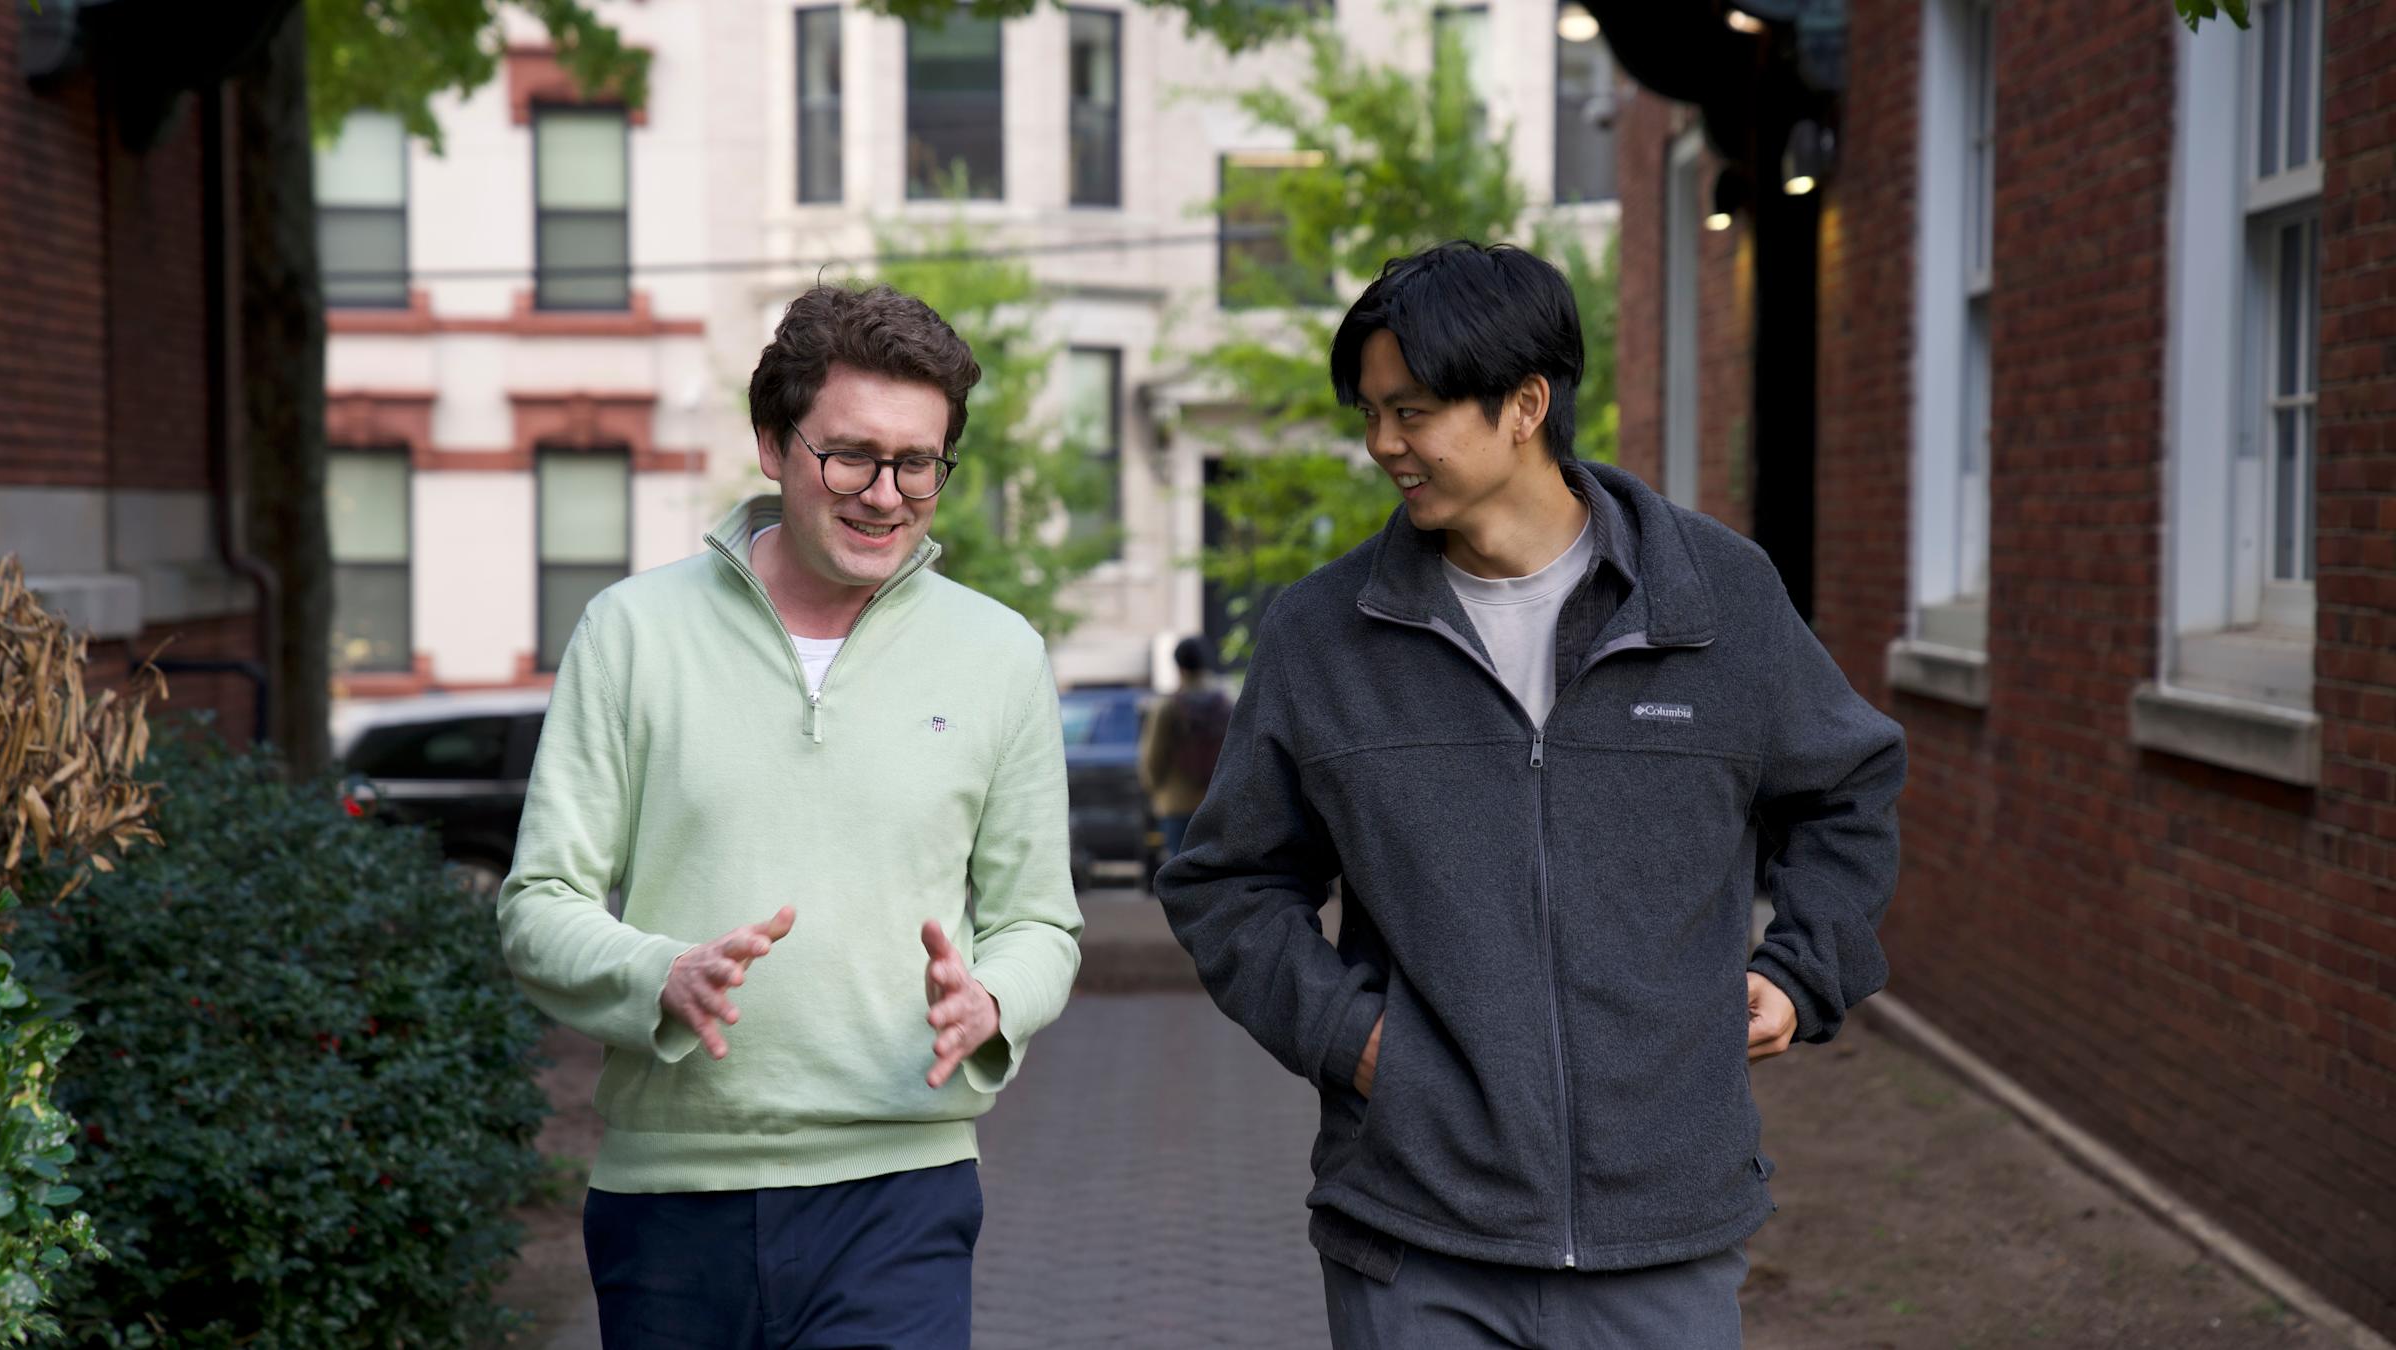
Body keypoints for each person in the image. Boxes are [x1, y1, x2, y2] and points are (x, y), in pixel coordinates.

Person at [1157, 242, 1905, 1349]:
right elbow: (1226, 882)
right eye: (1368, 413)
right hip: (1414, 1239)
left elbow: (1847, 786)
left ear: (1524, 405)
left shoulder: (1718, 598)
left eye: (1410, 412)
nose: (1381, 445)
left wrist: (1803, 970)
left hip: (1666, 1235)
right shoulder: (1323, 636)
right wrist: (1357, 1041)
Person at [497, 284, 1083, 1350]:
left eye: (919, 464)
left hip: (900, 1188)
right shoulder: (632, 634)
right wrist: (660, 974)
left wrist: (993, 998)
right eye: (851, 456)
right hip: (670, 1200)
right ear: (773, 444)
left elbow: (1042, 923)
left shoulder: (1000, 656)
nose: (886, 494)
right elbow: (538, 907)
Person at [1138, 635, 1233, 862]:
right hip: (1216, 802)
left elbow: (1152, 758)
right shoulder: (1227, 704)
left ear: (1178, 666)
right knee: (1214, 874)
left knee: (1180, 872)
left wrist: (1155, 791)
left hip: (1176, 802)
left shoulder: (1167, 707)